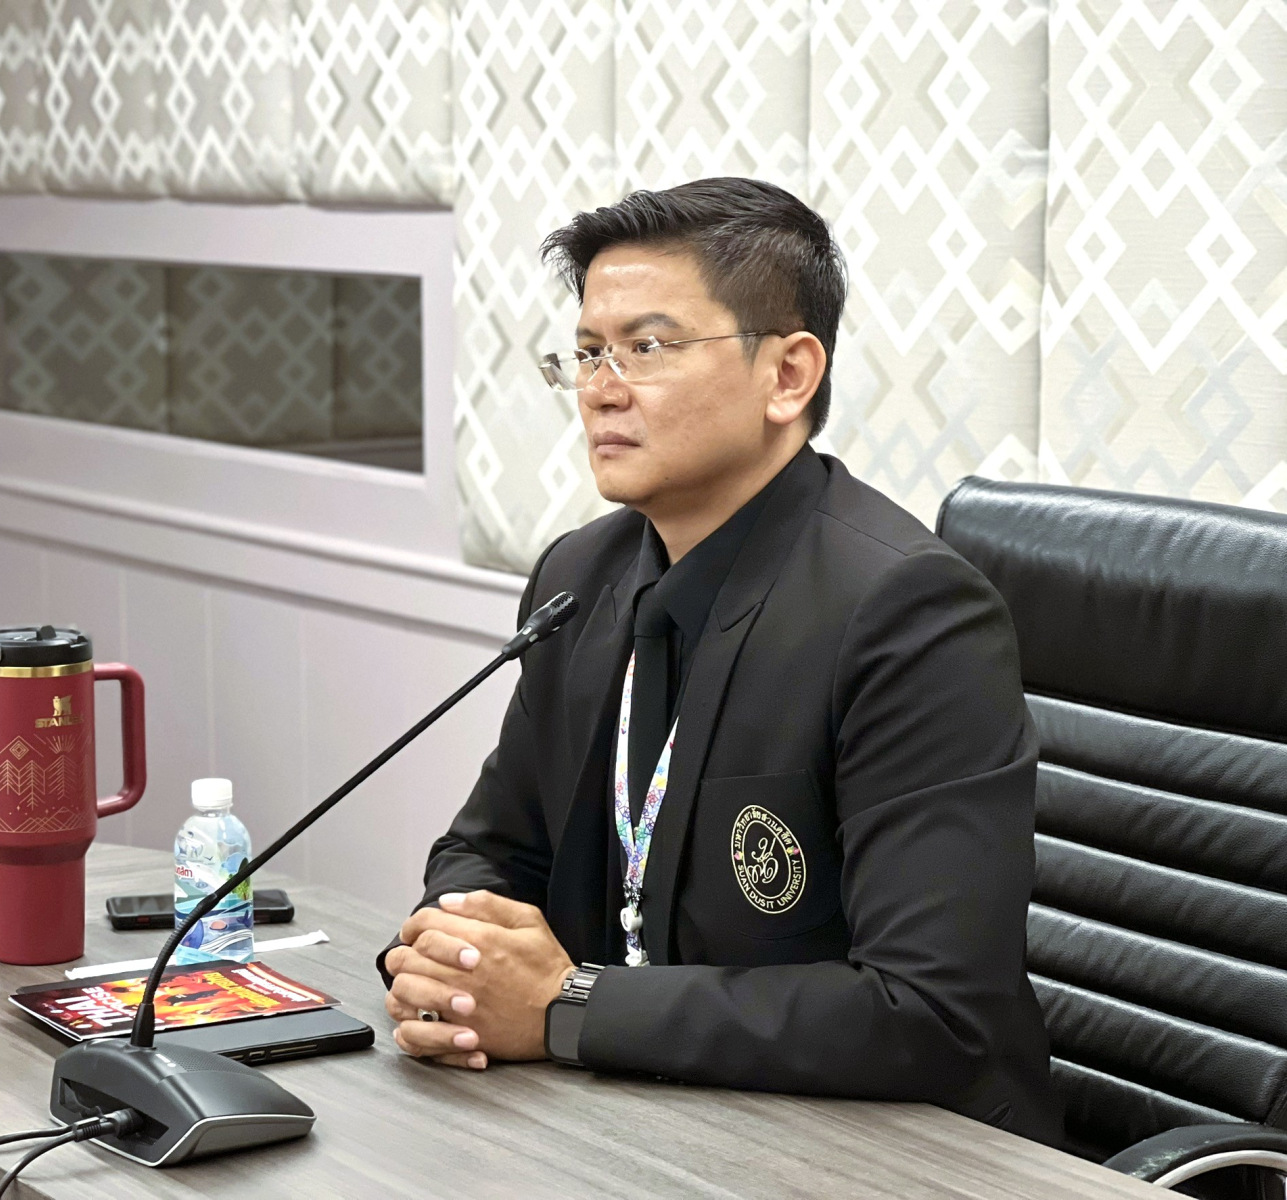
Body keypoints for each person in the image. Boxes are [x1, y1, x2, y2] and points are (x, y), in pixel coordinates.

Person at [379, 177, 1059, 1142]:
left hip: (890, 1149)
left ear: (787, 375)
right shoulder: (580, 575)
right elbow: (494, 847)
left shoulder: (906, 615)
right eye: (587, 352)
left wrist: (568, 1007)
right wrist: (453, 963)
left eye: (647, 347)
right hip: (639, 1114)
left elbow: (927, 1010)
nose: (601, 388)